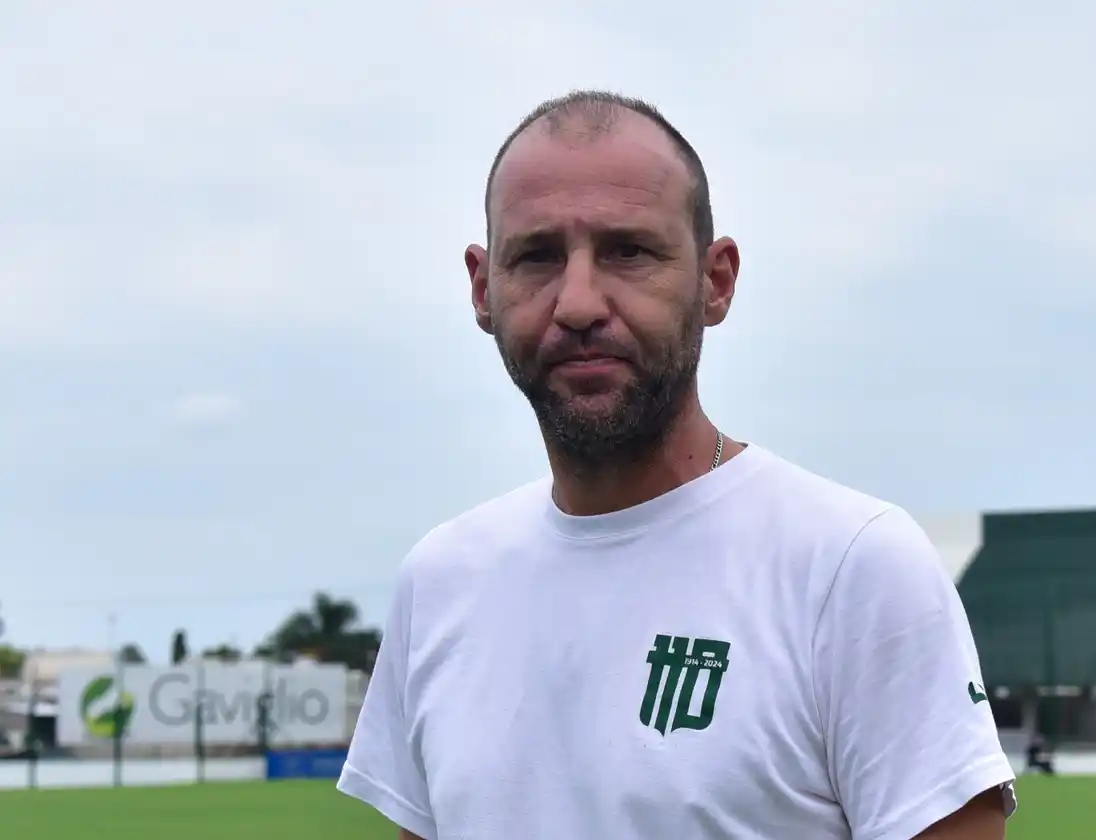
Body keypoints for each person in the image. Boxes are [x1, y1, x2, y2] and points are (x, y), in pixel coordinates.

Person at [336, 90, 1017, 840]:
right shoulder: (439, 582)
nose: (580, 302)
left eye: (628, 251)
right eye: (537, 256)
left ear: (715, 280)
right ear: (482, 288)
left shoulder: (850, 566)